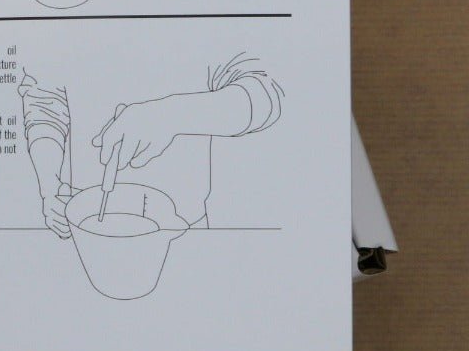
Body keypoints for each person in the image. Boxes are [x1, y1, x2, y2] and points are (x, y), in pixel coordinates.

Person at [19, 54, 283, 235]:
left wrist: (170, 116)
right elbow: (44, 104)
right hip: (85, 229)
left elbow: (265, 93)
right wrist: (49, 185)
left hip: (183, 232)